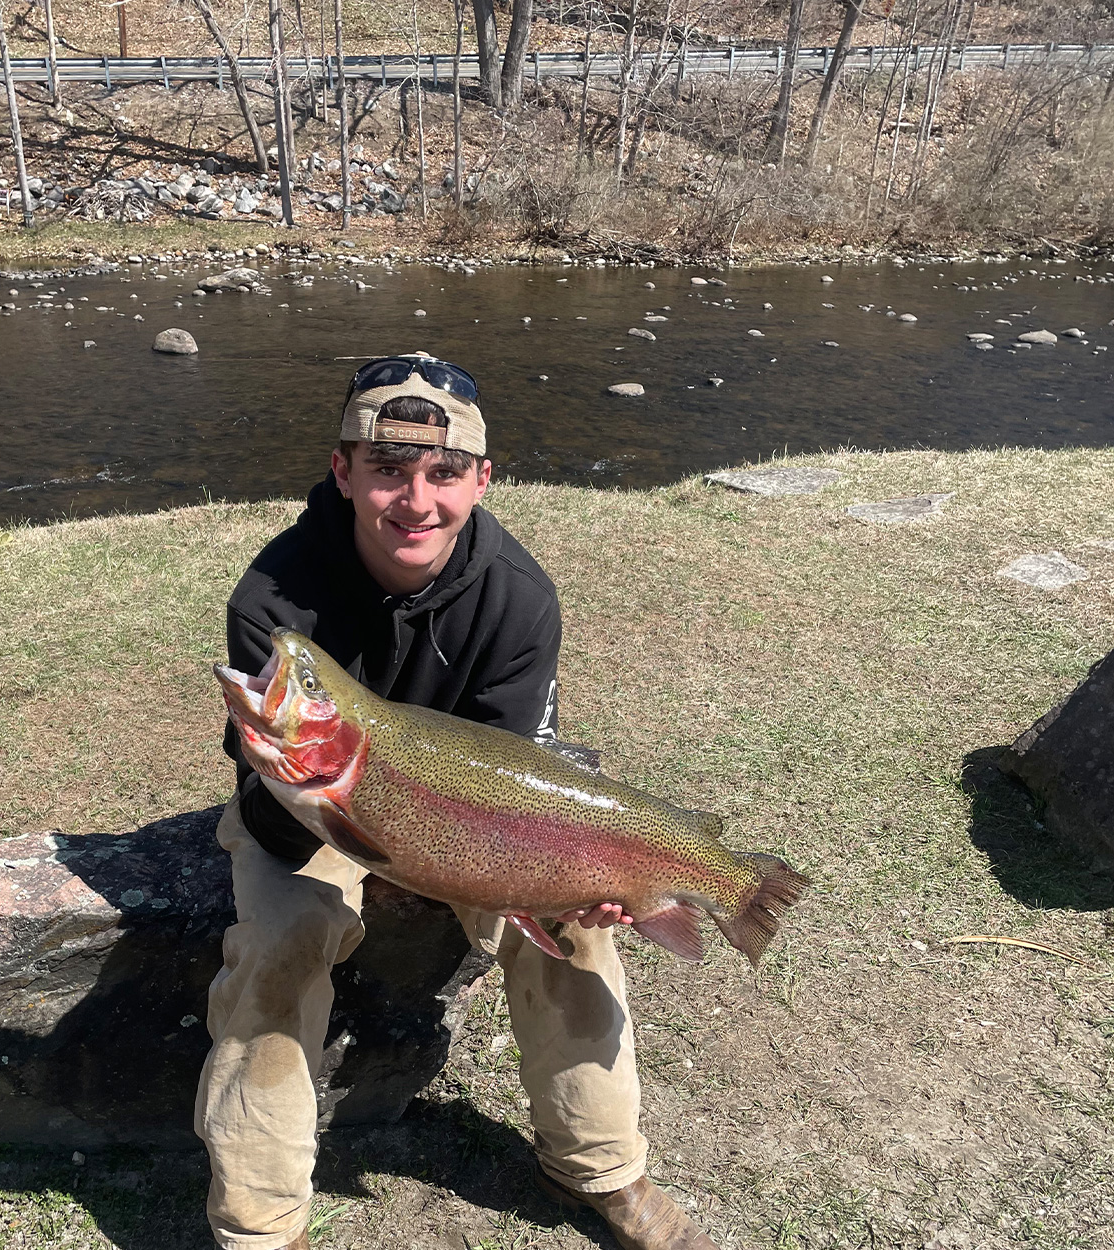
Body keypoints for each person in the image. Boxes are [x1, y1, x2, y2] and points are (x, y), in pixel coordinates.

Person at [195, 354, 722, 1250]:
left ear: (481, 480)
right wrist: (329, 808)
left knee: (579, 931)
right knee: (279, 944)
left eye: (443, 475)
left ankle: (602, 1168)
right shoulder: (275, 598)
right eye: (388, 472)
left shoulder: (518, 597)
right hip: (311, 810)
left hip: (481, 822)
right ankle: (259, 1223)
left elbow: (517, 765)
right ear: (342, 472)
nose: (416, 500)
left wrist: (564, 879)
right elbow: (273, 793)